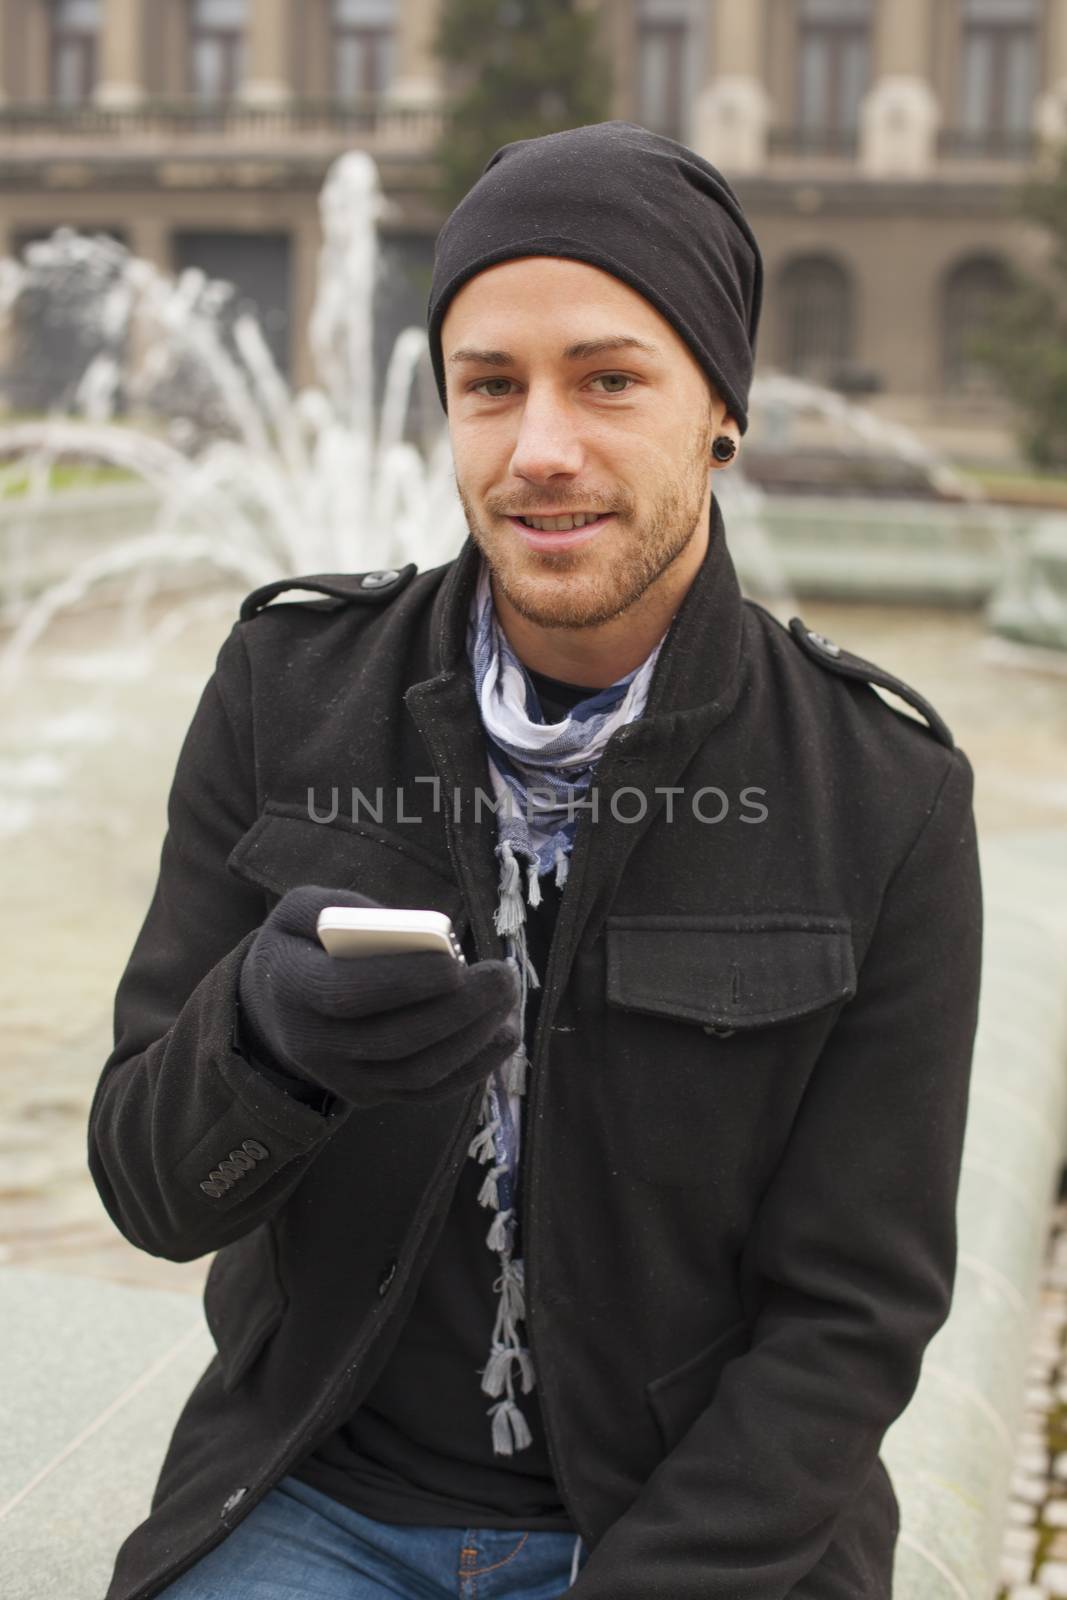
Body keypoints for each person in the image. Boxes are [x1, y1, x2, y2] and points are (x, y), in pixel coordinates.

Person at [89, 122, 982, 1600]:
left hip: (691, 1538)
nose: (540, 448)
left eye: (610, 379)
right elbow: (147, 1190)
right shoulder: (284, 688)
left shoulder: (881, 787)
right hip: (319, 1495)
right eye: (488, 387)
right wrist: (263, 1041)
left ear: (724, 413)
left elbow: (854, 1315)